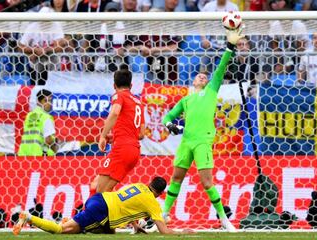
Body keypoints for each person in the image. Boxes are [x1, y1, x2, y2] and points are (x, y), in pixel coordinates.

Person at [160, 28, 244, 232]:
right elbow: (167, 117)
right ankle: (163, 216)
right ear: (193, 81)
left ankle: (224, 219)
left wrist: (230, 46)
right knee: (176, 178)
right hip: (186, 141)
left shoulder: (211, 92)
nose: (202, 77)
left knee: (207, 182)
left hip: (202, 141)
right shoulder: (186, 100)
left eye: (204, 77)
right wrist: (170, 125)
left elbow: (221, 67)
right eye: (199, 76)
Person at [13, 177, 190, 235]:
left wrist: (136, 226)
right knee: (61, 231)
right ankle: (27, 216)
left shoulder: (139, 186)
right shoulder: (152, 202)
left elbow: (127, 204)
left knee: (109, 231)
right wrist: (183, 233)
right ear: (160, 193)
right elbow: (165, 232)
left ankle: (75, 221)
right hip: (102, 211)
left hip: (99, 198)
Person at [95, 65, 145, 193]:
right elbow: (141, 134)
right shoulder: (138, 102)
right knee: (106, 190)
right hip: (134, 151)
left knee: (99, 190)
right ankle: (112, 212)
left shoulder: (119, 96)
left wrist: (103, 136)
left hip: (122, 149)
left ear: (114, 86)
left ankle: (101, 213)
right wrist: (116, 136)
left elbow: (115, 112)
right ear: (131, 85)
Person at [18, 89, 59, 156]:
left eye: (50, 100)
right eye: (45, 101)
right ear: (38, 102)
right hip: (39, 154)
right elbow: (48, 140)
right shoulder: (46, 117)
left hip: (24, 154)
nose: (49, 103)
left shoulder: (29, 115)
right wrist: (55, 150)